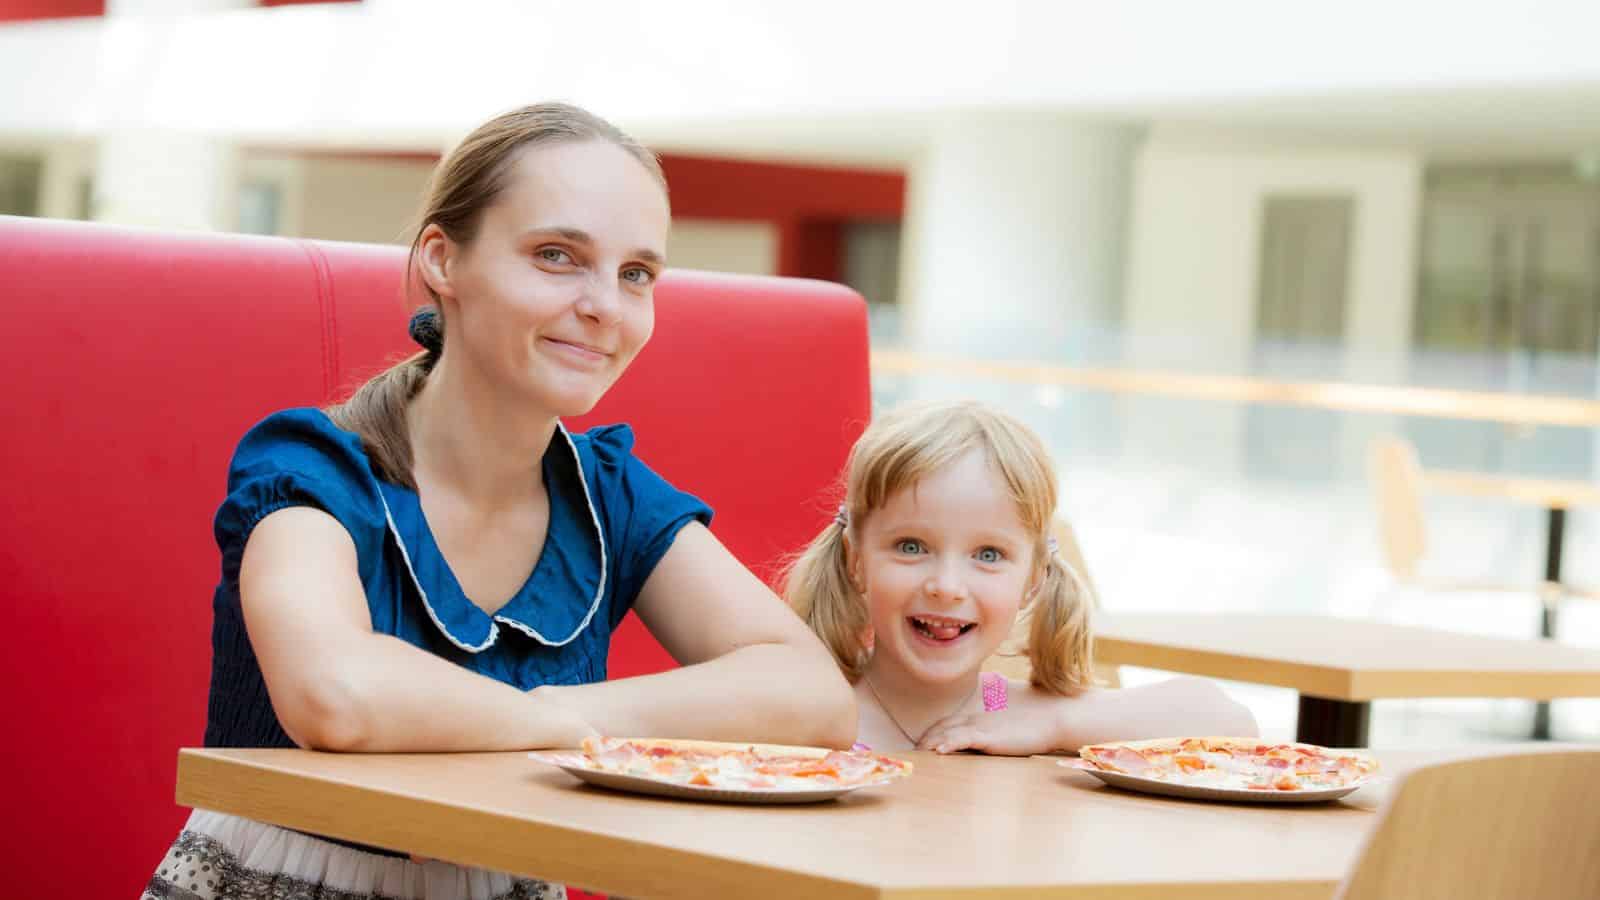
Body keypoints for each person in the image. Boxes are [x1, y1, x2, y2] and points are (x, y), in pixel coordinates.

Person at [141, 102, 854, 900]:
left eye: (636, 275)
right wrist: (568, 729)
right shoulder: (311, 468)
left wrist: (557, 712)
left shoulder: (609, 490)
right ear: (443, 262)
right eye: (557, 255)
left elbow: (811, 694)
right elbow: (335, 697)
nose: (605, 308)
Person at [786, 400, 1257, 755]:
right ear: (856, 558)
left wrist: (1057, 726)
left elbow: (1229, 722)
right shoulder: (820, 706)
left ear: (1034, 577)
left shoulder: (1010, 706)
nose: (947, 585)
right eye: (912, 547)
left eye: (988, 554)